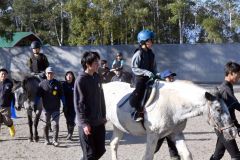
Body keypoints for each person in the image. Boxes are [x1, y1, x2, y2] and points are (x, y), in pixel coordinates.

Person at [74, 51, 106, 160]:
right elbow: (79, 104)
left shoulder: (97, 77)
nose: (98, 64)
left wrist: (103, 116)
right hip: (86, 124)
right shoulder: (81, 80)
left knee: (101, 150)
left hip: (98, 122)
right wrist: (84, 123)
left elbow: (101, 98)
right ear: (88, 64)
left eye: (98, 61)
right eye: (96, 62)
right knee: (90, 155)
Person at [210, 61, 240, 160]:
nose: (239, 77)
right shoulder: (225, 89)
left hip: (222, 126)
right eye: (238, 74)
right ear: (231, 73)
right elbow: (237, 106)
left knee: (218, 154)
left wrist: (237, 125)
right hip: (224, 128)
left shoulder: (228, 87)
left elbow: (230, 110)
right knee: (236, 156)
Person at [130, 29, 157, 122]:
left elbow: (154, 67)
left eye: (152, 40)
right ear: (143, 42)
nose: (152, 42)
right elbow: (134, 68)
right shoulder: (138, 53)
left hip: (149, 77)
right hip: (139, 78)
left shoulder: (151, 54)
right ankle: (137, 111)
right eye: (150, 40)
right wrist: (146, 72)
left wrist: (156, 74)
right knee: (140, 91)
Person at [34, 67, 65, 147]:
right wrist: (35, 104)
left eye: (51, 73)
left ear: (53, 74)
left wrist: (65, 105)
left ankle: (55, 140)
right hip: (45, 109)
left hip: (56, 108)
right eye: (48, 73)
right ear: (46, 74)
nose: (50, 74)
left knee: (55, 124)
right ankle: (46, 139)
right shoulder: (41, 84)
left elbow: (62, 96)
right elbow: (37, 96)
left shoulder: (58, 84)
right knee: (45, 124)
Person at [155, 69, 180, 160]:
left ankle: (175, 157)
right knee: (155, 146)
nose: (172, 78)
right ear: (164, 79)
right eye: (169, 77)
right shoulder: (160, 90)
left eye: (172, 76)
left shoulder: (175, 90)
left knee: (173, 145)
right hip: (162, 123)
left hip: (172, 123)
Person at [0, 68, 15, 138]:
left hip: (6, 106)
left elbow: (13, 94)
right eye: (2, 74)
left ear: (7, 75)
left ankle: (11, 127)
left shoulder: (10, 83)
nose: (3, 75)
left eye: (4, 74)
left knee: (7, 120)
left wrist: (14, 104)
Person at [62, 71, 76, 140]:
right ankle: (69, 132)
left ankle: (70, 134)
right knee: (67, 120)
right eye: (67, 75)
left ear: (73, 77)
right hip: (66, 106)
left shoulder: (75, 84)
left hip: (74, 106)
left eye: (70, 75)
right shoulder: (63, 85)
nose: (69, 76)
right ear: (66, 77)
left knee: (71, 120)